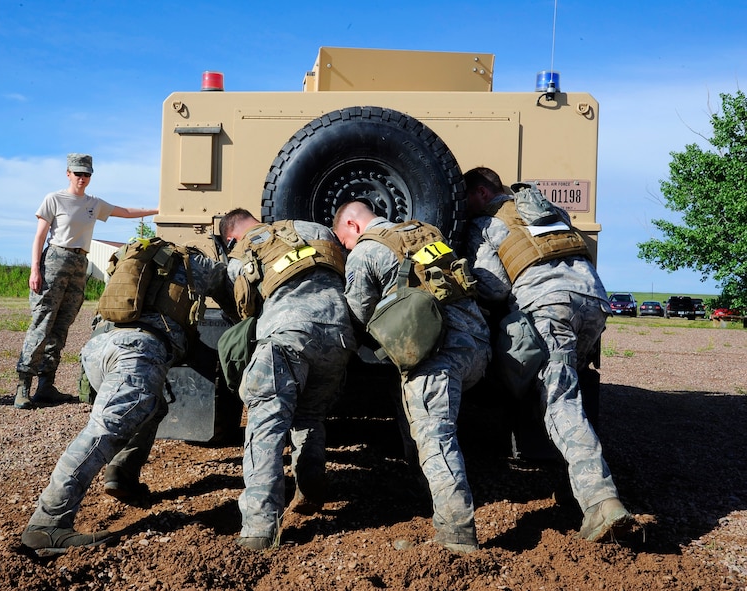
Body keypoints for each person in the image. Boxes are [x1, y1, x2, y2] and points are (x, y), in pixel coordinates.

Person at [20, 238, 236, 556]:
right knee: (104, 430)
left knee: (154, 406)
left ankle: (123, 474)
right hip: (137, 352)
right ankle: (47, 524)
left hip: (98, 348)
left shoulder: (135, 257)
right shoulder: (198, 265)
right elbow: (234, 298)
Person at [462, 166, 635, 542]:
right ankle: (580, 484)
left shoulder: (488, 224)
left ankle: (601, 501)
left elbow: (493, 286)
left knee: (560, 400)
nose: (467, 208)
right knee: (565, 386)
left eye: (467, 200)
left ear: (480, 193)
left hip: (549, 305)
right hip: (593, 301)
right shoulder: (546, 208)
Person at [332, 201, 491, 555]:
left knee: (435, 436)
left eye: (344, 240)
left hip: (436, 353)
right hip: (477, 344)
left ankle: (457, 533)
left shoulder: (365, 252)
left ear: (353, 226)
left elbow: (360, 314)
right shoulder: (425, 234)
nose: (346, 248)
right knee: (411, 405)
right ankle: (426, 492)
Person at [219, 208, 355, 551]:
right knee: (309, 415)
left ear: (232, 236)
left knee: (265, 424)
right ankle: (311, 486)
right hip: (338, 334)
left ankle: (259, 528)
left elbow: (243, 302)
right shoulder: (316, 229)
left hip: (286, 336)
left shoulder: (246, 246)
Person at [14, 153, 160, 410]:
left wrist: (159, 209)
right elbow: (39, 237)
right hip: (55, 261)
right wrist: (35, 270)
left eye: (87, 174)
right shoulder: (54, 199)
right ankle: (23, 386)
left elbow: (124, 212)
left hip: (80, 263)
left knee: (61, 326)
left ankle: (45, 386)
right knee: (42, 323)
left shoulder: (93, 203)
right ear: (68, 173)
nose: (82, 179)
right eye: (78, 173)